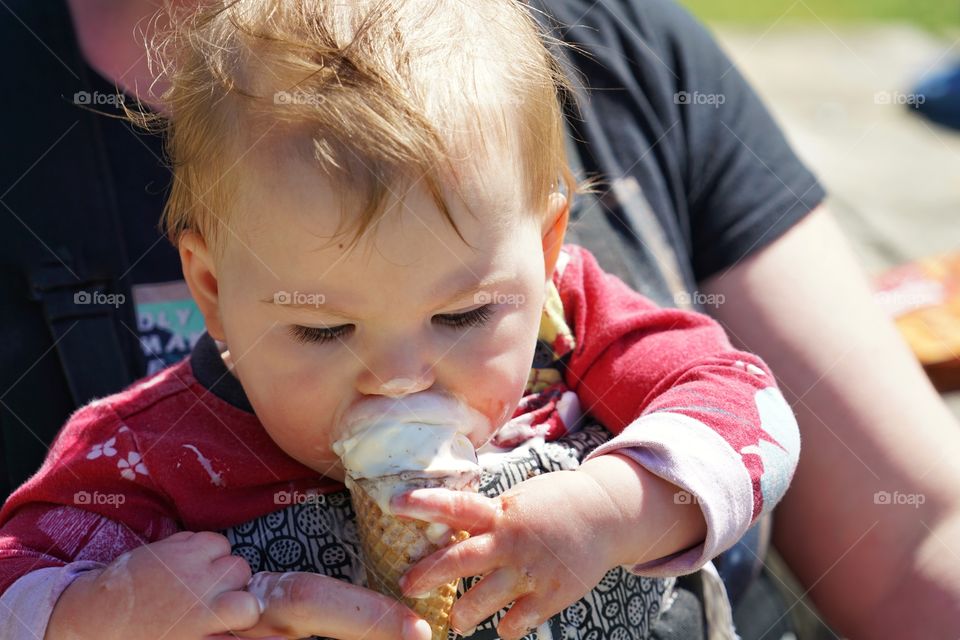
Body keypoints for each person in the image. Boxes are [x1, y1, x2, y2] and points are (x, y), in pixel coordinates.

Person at [1, 0, 959, 637]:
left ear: (545, 251)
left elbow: (749, 411)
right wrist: (101, 612)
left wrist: (611, 509)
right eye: (322, 331)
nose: (401, 374)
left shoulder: (574, 324)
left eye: (462, 313)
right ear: (209, 290)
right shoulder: (150, 447)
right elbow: (20, 573)